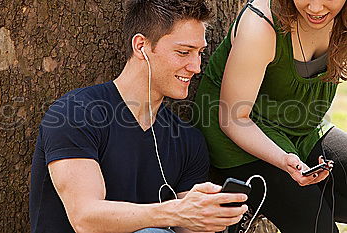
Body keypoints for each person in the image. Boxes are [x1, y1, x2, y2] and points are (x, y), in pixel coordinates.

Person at [29, 0, 250, 232]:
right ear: (141, 46)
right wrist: (175, 211)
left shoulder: (188, 140)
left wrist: (213, 216)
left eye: (199, 53)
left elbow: (189, 225)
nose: (196, 66)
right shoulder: (75, 113)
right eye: (183, 52)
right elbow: (85, 218)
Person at [193, 0, 347, 232]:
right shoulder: (261, 25)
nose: (315, 8)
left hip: (303, 128)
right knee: (318, 227)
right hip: (241, 137)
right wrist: (284, 160)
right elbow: (233, 118)